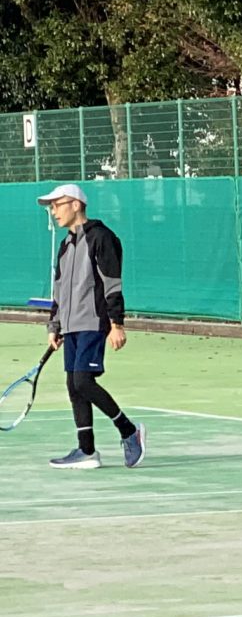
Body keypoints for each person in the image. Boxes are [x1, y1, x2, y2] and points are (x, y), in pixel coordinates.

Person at [38, 184, 144, 471]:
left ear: (75, 205)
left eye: (57, 205)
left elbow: (112, 283)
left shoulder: (102, 238)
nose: (53, 212)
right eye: (51, 207)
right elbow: (59, 290)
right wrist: (55, 325)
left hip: (94, 323)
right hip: (70, 327)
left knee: (83, 381)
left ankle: (129, 431)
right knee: (73, 386)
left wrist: (116, 324)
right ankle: (87, 452)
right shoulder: (65, 245)